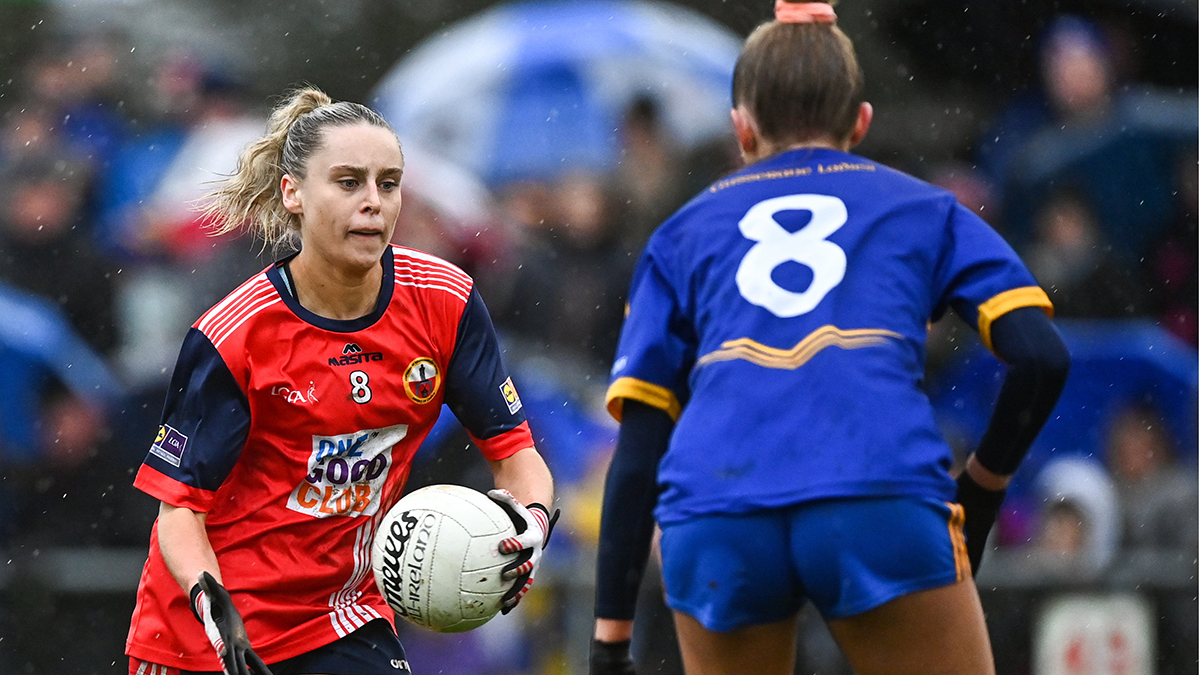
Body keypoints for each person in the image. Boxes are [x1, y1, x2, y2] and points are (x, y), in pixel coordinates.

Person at [588, 3, 1070, 675]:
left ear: (742, 130)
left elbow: (638, 452)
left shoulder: (678, 235)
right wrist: (983, 486)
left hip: (719, 506)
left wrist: (610, 638)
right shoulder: (923, 208)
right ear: (861, 123)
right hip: (875, 484)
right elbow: (1043, 357)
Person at [125, 86, 558, 675]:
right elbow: (179, 513)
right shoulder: (237, 335)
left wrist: (530, 524)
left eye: (389, 183)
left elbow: (517, 455)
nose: (374, 203)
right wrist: (211, 604)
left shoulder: (446, 302)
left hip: (343, 615)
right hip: (210, 633)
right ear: (293, 193)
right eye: (349, 182)